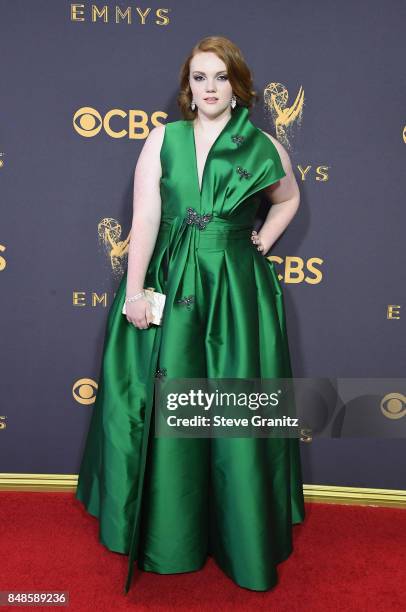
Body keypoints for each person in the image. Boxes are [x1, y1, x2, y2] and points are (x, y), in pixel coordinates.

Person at [75, 35, 305, 595]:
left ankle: (237, 531)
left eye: (220, 77)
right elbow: (147, 217)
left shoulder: (265, 147)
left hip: (235, 288)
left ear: (238, 85)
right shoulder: (163, 140)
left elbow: (289, 198)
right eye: (200, 77)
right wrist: (134, 291)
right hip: (172, 280)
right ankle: (170, 529)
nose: (210, 87)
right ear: (188, 86)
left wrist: (260, 244)